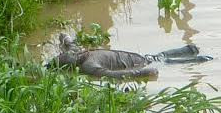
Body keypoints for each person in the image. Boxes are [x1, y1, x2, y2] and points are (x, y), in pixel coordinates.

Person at [47, 34, 212, 80]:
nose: (73, 53)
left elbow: (70, 43)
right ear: (71, 64)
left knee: (158, 57)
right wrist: (142, 73)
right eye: (70, 55)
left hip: (138, 58)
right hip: (137, 64)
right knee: (163, 60)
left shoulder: (80, 54)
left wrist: (65, 39)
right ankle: (200, 58)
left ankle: (191, 50)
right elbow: (114, 75)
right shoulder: (88, 65)